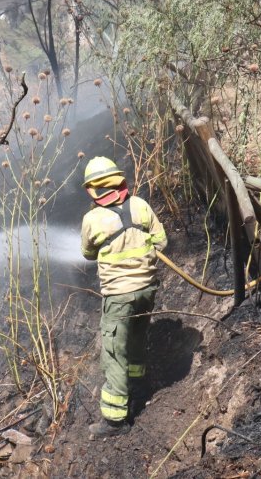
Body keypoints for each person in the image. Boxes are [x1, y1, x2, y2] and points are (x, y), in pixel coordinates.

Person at [79, 156, 167, 439]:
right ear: (120, 181)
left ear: (92, 190)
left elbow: (87, 253)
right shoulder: (140, 205)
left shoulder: (92, 219)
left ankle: (115, 420)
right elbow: (162, 241)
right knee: (137, 337)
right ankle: (137, 386)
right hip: (147, 290)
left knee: (114, 352)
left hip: (119, 296)